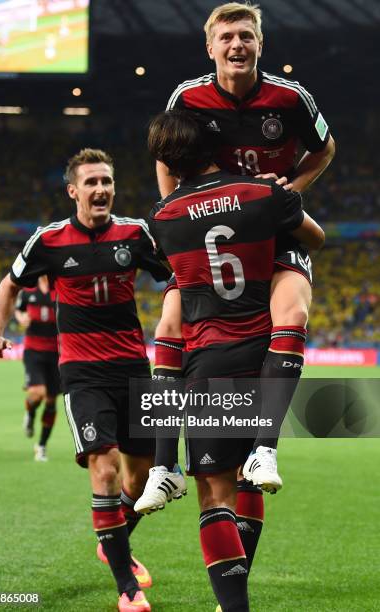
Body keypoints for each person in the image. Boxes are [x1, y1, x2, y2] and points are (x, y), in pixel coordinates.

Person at [141, 0, 335, 503]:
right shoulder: (188, 97)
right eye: (227, 38)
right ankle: (164, 467)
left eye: (246, 36)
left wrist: (292, 187)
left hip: (271, 222)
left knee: (292, 310)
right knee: (168, 322)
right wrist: (171, 211)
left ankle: (264, 450)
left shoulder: (291, 99)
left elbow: (325, 148)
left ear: (260, 44)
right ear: (210, 48)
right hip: (209, 229)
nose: (237, 45)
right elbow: (166, 154)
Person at [143, 109, 325, 611]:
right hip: (267, 354)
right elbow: (316, 238)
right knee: (250, 481)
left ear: (166, 159)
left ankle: (233, 605)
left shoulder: (163, 218)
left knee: (215, 494)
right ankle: (263, 450)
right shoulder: (263, 193)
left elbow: (178, 280)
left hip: (207, 360)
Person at [0, 148, 171, 612]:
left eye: (106, 181)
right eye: (91, 182)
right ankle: (126, 587)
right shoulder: (49, 241)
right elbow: (10, 283)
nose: (100, 189)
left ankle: (114, 538)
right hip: (82, 373)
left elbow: (175, 279)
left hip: (132, 368)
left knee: (142, 477)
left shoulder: (136, 234)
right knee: (103, 468)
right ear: (73, 191)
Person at [15, 275, 60, 462]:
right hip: (33, 350)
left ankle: (41, 446)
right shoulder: (27, 290)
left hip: (57, 352)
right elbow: (18, 309)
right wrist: (21, 317)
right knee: (37, 393)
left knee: (50, 401)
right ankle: (31, 413)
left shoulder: (60, 289)